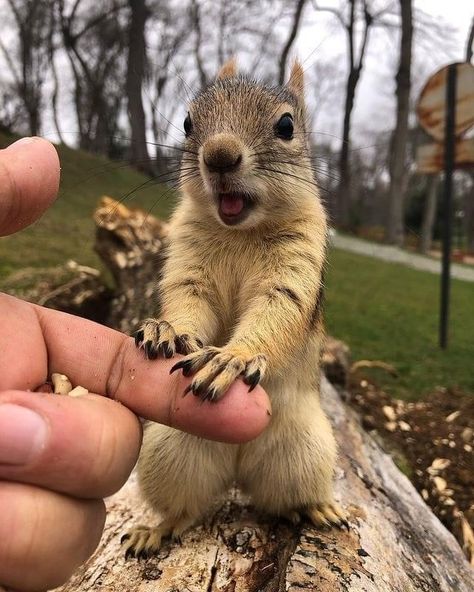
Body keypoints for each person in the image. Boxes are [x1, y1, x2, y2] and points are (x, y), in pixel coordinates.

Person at [0, 137, 271, 592]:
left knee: (298, 476)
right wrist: (180, 332)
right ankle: (176, 518)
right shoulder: (191, 222)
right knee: (165, 457)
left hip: (278, 401)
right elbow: (190, 293)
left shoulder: (303, 226)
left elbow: (285, 302)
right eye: (195, 130)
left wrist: (245, 350)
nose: (218, 151)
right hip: (202, 401)